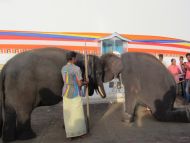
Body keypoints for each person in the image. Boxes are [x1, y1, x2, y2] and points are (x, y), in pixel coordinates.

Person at [61, 51, 88, 138]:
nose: (75, 59)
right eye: (75, 58)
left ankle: (70, 133)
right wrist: (86, 82)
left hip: (65, 92)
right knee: (77, 113)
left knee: (68, 114)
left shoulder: (63, 68)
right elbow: (80, 84)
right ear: (73, 59)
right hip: (75, 92)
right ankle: (78, 133)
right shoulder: (76, 68)